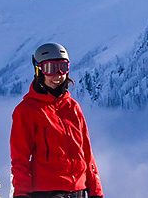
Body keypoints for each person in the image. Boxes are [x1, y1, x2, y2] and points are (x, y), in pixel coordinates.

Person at [10, 43, 103, 198]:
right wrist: (21, 194)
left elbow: (86, 152)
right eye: (50, 68)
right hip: (46, 192)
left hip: (78, 191)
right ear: (39, 71)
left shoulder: (72, 107)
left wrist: (96, 191)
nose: (58, 75)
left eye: (63, 67)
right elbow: (20, 159)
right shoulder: (26, 110)